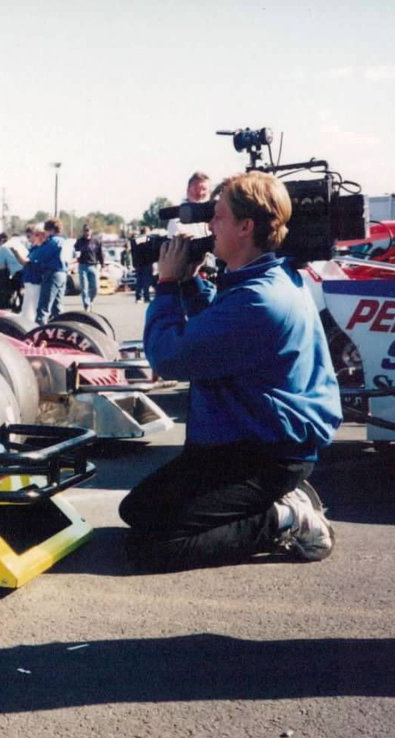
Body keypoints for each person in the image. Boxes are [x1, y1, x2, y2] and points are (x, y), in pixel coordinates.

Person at [119, 171, 343, 571]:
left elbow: (168, 357)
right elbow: (219, 321)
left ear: (246, 226)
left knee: (158, 545)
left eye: (218, 216)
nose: (210, 226)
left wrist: (169, 285)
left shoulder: (259, 300)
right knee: (138, 511)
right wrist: (190, 284)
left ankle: (285, 519)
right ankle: (273, 505)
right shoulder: (265, 278)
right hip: (245, 439)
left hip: (265, 453)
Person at [32, 218, 67, 325]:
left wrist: (36, 246)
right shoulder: (64, 241)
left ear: (50, 230)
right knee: (57, 307)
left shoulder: (52, 242)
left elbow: (37, 256)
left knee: (43, 307)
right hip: (63, 274)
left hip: (52, 274)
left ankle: (39, 329)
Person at [72, 224, 105, 310]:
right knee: (84, 287)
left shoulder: (96, 241)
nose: (87, 232)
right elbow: (75, 252)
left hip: (93, 266)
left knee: (95, 287)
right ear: (83, 231)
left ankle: (90, 299)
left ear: (91, 231)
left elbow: (100, 254)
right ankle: (86, 305)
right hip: (83, 266)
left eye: (88, 230)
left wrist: (102, 265)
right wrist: (76, 256)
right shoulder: (79, 242)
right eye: (85, 230)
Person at [18, 224, 45, 322]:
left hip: (35, 281)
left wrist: (15, 252)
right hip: (29, 281)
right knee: (27, 307)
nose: (29, 239)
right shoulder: (32, 249)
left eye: (30, 236)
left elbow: (26, 262)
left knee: (31, 308)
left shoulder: (39, 249)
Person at [0, 231, 26, 312]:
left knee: (17, 290)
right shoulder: (19, 244)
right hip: (27, 270)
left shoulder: (4, 247)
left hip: (18, 273)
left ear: (2, 240)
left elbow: (1, 266)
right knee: (23, 294)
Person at [130, 225, 156, 303]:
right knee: (146, 281)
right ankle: (146, 297)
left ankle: (138, 297)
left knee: (139, 281)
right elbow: (151, 251)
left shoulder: (135, 240)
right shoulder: (149, 239)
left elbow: (133, 252)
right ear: (147, 232)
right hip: (147, 262)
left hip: (138, 263)